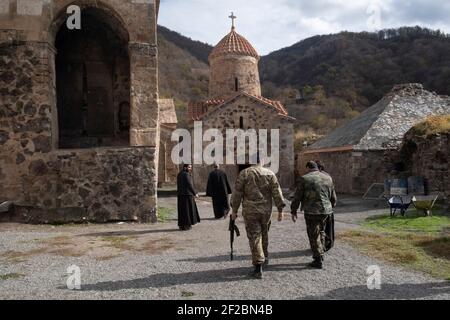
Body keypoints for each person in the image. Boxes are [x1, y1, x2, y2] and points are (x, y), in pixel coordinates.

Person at [231, 159, 286, 279]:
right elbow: (277, 192)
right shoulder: (270, 173)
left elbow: (237, 194)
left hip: (251, 211)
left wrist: (234, 210)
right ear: (262, 161)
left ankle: (258, 266)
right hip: (266, 210)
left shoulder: (245, 173)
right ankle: (265, 258)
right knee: (264, 234)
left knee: (255, 236)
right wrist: (280, 210)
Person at [291, 161, 337, 269]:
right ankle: (321, 253)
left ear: (308, 167)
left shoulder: (304, 179)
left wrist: (293, 211)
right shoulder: (328, 178)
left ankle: (318, 259)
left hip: (312, 211)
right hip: (326, 211)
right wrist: (332, 205)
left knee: (313, 234)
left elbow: (297, 197)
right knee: (321, 231)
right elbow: (333, 195)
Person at [177, 164, 201, 231]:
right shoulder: (186, 174)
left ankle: (182, 225)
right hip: (187, 195)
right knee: (187, 211)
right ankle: (186, 225)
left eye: (190, 167)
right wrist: (195, 193)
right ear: (185, 167)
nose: (190, 168)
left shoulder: (179, 174)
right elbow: (189, 185)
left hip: (181, 195)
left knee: (182, 211)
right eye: (189, 167)